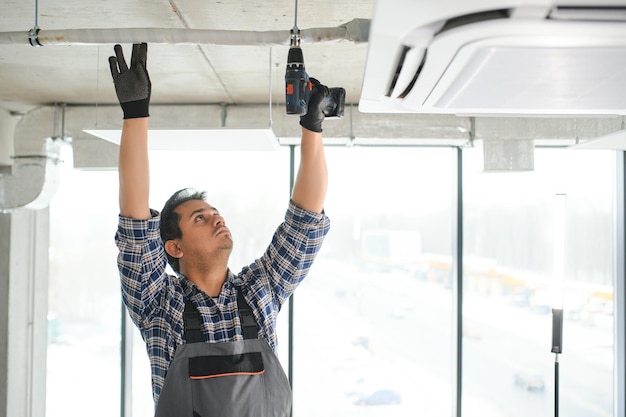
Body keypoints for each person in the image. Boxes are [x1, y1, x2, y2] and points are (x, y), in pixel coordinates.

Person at [109, 43, 331, 416]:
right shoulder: (158, 304)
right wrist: (135, 113)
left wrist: (313, 126)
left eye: (215, 213)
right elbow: (134, 223)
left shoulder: (260, 291)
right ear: (174, 247)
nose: (218, 219)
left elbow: (304, 221)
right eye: (200, 217)